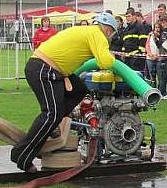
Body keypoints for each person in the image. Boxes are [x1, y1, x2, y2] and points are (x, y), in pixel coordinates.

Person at [10, 12, 118, 172]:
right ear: (109, 30)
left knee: (79, 90)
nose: (110, 39)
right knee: (51, 114)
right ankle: (21, 155)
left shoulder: (85, 31)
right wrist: (112, 56)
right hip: (45, 70)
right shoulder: (98, 34)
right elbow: (104, 61)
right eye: (112, 35)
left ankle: (54, 124)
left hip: (44, 67)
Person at [156, 16, 167, 97]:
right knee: (162, 77)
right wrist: (156, 39)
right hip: (161, 56)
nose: (164, 24)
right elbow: (160, 45)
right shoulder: (161, 32)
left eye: (165, 22)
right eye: (162, 22)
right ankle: (162, 93)